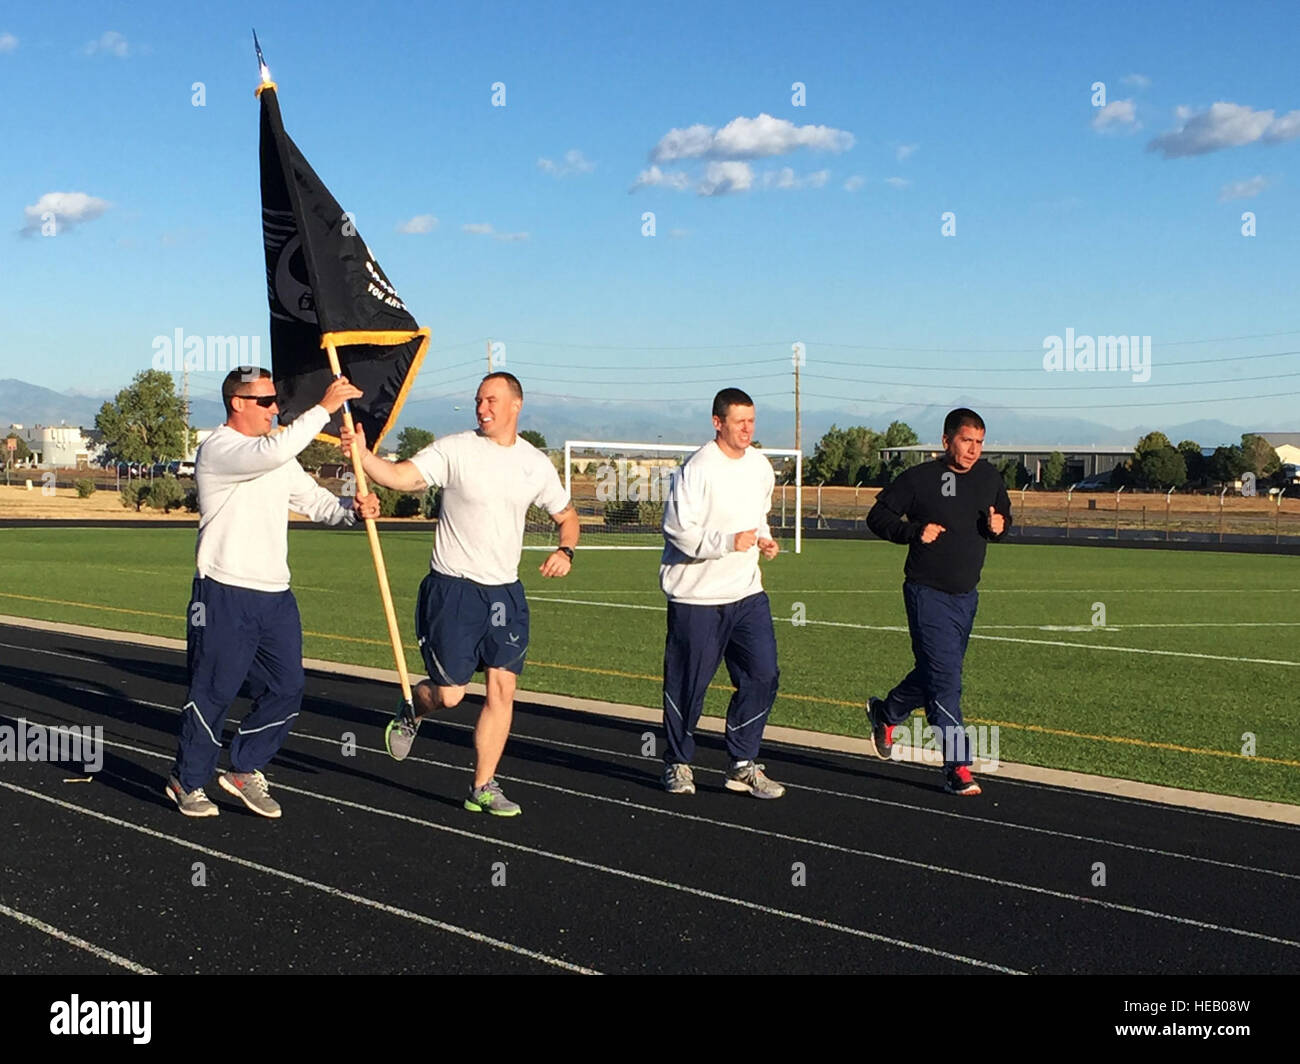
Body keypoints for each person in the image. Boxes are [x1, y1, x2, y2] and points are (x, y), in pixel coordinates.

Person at [339, 372, 578, 817]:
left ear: (515, 406)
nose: (482, 408)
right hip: (453, 590)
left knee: (502, 690)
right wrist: (363, 455)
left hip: (505, 592)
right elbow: (402, 478)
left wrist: (565, 549)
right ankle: (413, 707)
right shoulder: (455, 449)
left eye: (491, 400)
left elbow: (568, 516)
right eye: (478, 400)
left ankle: (482, 785)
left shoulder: (534, 463)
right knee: (450, 695)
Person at [166, 367, 379, 818]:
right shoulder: (221, 450)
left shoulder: (276, 455)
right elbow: (273, 450)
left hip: (275, 595)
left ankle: (246, 768)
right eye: (265, 402)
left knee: (287, 687)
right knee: (214, 690)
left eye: (275, 401)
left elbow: (316, 503)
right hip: (224, 590)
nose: (275, 409)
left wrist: (354, 510)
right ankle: (188, 781)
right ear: (237, 403)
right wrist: (323, 407)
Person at [864, 407, 1012, 796]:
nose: (973, 449)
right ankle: (958, 766)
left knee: (935, 672)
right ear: (947, 441)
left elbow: (1003, 517)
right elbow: (877, 516)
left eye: (980, 442)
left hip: (967, 595)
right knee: (946, 680)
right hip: (926, 592)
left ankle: (888, 712)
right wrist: (913, 531)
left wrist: (1000, 527)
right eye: (966, 441)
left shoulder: (989, 478)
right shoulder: (920, 479)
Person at [659, 387, 785, 799]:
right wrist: (730, 541)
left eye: (752, 421)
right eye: (739, 421)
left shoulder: (760, 467)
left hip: (746, 593)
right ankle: (678, 763)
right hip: (697, 597)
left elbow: (758, 517)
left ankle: (742, 762)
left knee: (763, 673)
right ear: (718, 423)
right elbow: (679, 531)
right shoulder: (695, 469)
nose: (748, 429)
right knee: (687, 686)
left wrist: (764, 539)